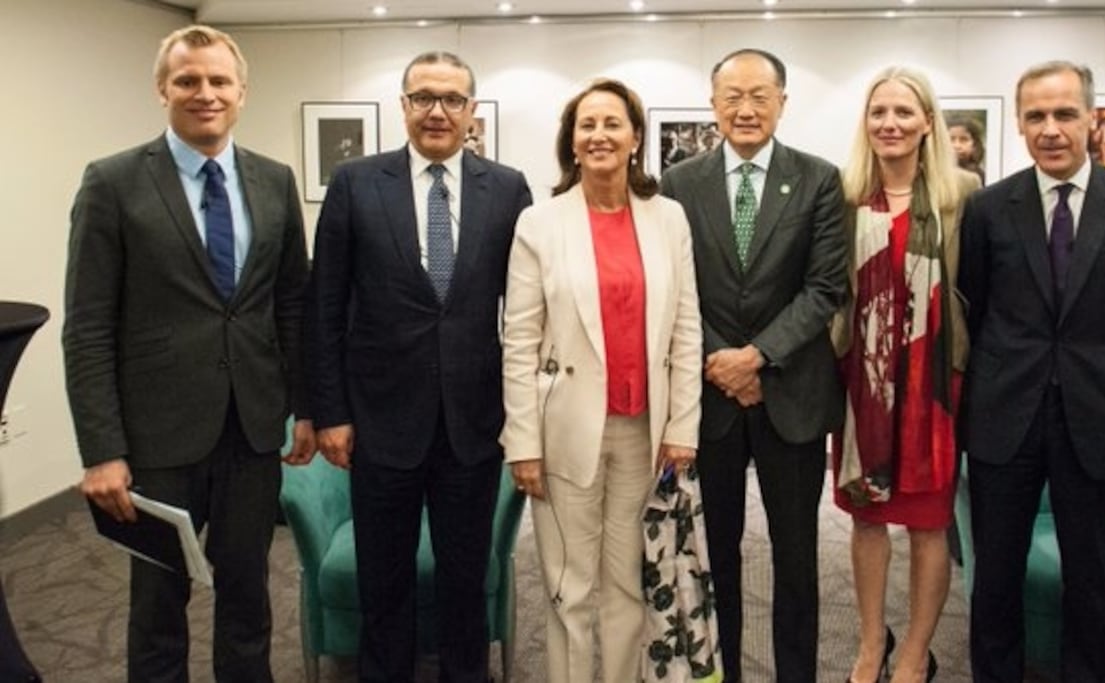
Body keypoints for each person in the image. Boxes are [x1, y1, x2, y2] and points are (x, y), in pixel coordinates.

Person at [63, 24, 314, 682]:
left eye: (218, 81)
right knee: (156, 608)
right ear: (162, 89)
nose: (205, 93)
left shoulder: (273, 180)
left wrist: (306, 408)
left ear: (241, 92)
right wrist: (101, 449)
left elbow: (292, 304)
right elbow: (87, 325)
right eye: (188, 81)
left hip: (251, 433)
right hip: (155, 441)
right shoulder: (113, 182)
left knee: (248, 599)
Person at [308, 51, 532, 683]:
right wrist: (330, 412)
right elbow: (324, 305)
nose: (438, 111)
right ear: (403, 106)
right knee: (386, 579)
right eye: (424, 97)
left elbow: (525, 310)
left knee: (467, 576)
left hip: (472, 422)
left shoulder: (508, 188)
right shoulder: (355, 182)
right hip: (379, 422)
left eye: (453, 99)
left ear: (472, 111)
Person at [958, 61, 1105, 683]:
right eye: (1035, 116)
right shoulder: (989, 208)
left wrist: (1097, 370)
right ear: (1021, 125)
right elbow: (977, 303)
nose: (1050, 129)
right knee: (995, 577)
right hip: (1005, 417)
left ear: (1090, 118)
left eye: (1064, 113)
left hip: (1096, 416)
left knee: (1090, 577)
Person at [500, 78, 702, 683]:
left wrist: (683, 426)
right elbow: (519, 341)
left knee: (628, 584)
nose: (599, 136)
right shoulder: (540, 223)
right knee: (569, 588)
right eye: (586, 125)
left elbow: (687, 328)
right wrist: (523, 443)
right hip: (563, 435)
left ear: (636, 137)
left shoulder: (669, 218)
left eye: (612, 123)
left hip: (646, 432)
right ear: (571, 142)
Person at [660, 48, 848, 683]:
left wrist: (758, 357)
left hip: (791, 394)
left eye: (759, 96)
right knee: (718, 559)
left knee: (797, 558)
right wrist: (722, 361)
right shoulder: (679, 183)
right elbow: (675, 284)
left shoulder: (820, 179)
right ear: (713, 106)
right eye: (732, 96)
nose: (745, 108)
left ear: (782, 102)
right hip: (708, 399)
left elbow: (825, 288)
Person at [833, 67, 981, 683]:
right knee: (868, 518)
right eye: (878, 112)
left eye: (903, 112)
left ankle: (916, 652)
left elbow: (981, 289)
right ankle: (872, 643)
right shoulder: (842, 195)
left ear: (927, 122)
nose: (889, 124)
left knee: (928, 524)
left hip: (931, 390)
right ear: (865, 124)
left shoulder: (964, 194)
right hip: (860, 388)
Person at [947, 115, 986, 184]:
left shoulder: (978, 175)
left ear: (974, 144)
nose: (957, 146)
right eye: (951, 139)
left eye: (963, 139)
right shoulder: (937, 172)